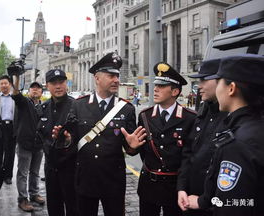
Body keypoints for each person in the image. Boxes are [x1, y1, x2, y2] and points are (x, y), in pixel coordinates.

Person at [53, 52, 146, 216]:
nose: (116, 80)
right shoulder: (79, 105)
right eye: (111, 76)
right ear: (97, 78)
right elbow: (72, 141)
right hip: (85, 177)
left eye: (117, 76)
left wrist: (132, 148)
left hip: (113, 179)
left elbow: (130, 147)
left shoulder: (127, 109)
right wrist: (66, 139)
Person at [187, 55, 264, 216]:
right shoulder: (255, 126)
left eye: (220, 81)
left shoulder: (237, 144)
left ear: (231, 88)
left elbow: (231, 206)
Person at [137, 62, 196, 216]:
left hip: (176, 188)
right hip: (149, 185)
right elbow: (144, 151)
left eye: (162, 86)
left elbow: (188, 157)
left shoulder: (189, 118)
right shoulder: (145, 116)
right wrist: (131, 147)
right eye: (155, 85)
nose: (155, 89)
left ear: (175, 91)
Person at [177, 59, 228, 216]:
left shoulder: (231, 117)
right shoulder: (204, 110)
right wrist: (182, 189)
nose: (199, 85)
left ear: (221, 82)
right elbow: (188, 154)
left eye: (204, 80)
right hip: (191, 200)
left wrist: (206, 201)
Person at [37, 69, 77, 216]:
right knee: (54, 208)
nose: (58, 86)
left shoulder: (77, 106)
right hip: (51, 168)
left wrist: (69, 141)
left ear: (66, 84)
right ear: (47, 85)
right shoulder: (42, 108)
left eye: (61, 82)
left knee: (74, 208)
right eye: (54, 83)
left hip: (71, 168)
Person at [11, 76, 45, 212]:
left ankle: (34, 193)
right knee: (23, 173)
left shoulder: (44, 106)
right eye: (33, 88)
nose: (35, 90)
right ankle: (23, 199)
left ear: (42, 92)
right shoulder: (24, 103)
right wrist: (17, 78)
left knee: (35, 172)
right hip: (24, 144)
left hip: (38, 145)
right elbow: (16, 94)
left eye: (38, 88)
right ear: (29, 91)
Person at [0, 75, 17, 185]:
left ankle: (8, 176)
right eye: (1, 83)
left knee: (10, 154)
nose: (4, 85)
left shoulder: (15, 97)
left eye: (6, 83)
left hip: (11, 128)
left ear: (10, 84)